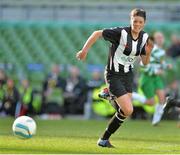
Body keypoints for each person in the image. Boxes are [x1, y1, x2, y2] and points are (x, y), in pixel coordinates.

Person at [76, 8, 154, 148]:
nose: (137, 24)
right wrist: (84, 50)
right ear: (130, 20)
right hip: (113, 74)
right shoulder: (121, 33)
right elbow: (97, 33)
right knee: (128, 110)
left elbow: (145, 62)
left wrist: (148, 54)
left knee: (125, 111)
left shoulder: (144, 38)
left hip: (128, 75)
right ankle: (110, 95)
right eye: (134, 21)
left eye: (140, 22)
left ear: (144, 23)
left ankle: (104, 140)